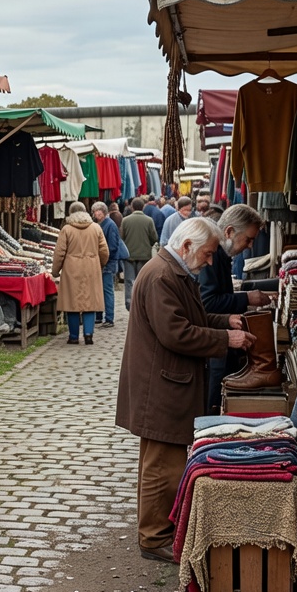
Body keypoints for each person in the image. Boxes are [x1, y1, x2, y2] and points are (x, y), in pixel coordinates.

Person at [115, 217, 254, 562]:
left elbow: (193, 316)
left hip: (165, 383)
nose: (210, 262)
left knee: (162, 462)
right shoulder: (163, 275)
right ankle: (153, 538)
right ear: (188, 246)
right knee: (161, 466)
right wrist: (226, 338)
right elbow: (176, 332)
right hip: (162, 385)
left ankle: (158, 532)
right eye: (207, 254)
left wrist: (225, 321)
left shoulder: (173, 270)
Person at [199, 204, 279, 411]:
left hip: (221, 342)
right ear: (229, 232)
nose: (250, 246)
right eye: (248, 239)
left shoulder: (220, 255)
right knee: (214, 401)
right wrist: (247, 298)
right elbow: (208, 302)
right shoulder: (213, 255)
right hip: (217, 345)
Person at [52, 202, 109, 345]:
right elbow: (104, 251)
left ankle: (73, 336)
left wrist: (55, 270)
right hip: (91, 268)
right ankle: (88, 334)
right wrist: (99, 263)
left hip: (72, 269)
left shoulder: (67, 229)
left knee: (72, 303)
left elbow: (59, 252)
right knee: (90, 303)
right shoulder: (96, 228)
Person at [120, 196, 158, 311]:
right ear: (143, 206)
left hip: (129, 256)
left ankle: (129, 304)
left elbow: (121, 238)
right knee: (142, 281)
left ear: (132, 207)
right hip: (144, 255)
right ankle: (142, 303)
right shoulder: (148, 220)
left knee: (129, 281)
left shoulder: (125, 220)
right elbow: (154, 237)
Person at [91, 201, 123, 327]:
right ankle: (99, 316)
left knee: (107, 290)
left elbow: (113, 246)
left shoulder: (110, 225)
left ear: (103, 211)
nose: (95, 213)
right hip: (100, 262)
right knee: (99, 290)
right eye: (94, 211)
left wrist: (104, 257)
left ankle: (109, 318)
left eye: (97, 211)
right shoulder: (98, 224)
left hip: (108, 263)